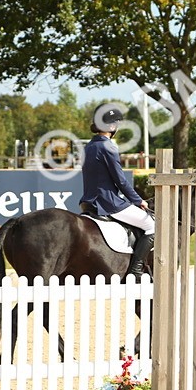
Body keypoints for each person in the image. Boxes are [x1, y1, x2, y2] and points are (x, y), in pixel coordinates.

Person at [80, 103, 155, 279]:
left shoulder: (88, 147)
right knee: (151, 225)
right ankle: (136, 271)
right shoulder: (108, 147)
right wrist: (139, 201)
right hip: (108, 203)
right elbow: (120, 180)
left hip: (88, 202)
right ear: (112, 126)